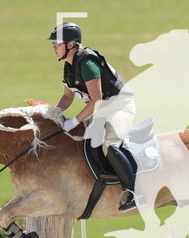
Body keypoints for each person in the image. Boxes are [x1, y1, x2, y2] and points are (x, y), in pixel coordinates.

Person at [49, 22, 137, 211]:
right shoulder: (68, 66)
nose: (54, 48)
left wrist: (75, 120)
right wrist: (53, 113)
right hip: (102, 110)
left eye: (57, 44)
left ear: (70, 45)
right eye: (53, 44)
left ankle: (135, 191)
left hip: (119, 107)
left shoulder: (87, 64)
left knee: (108, 145)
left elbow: (96, 100)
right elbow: (67, 97)